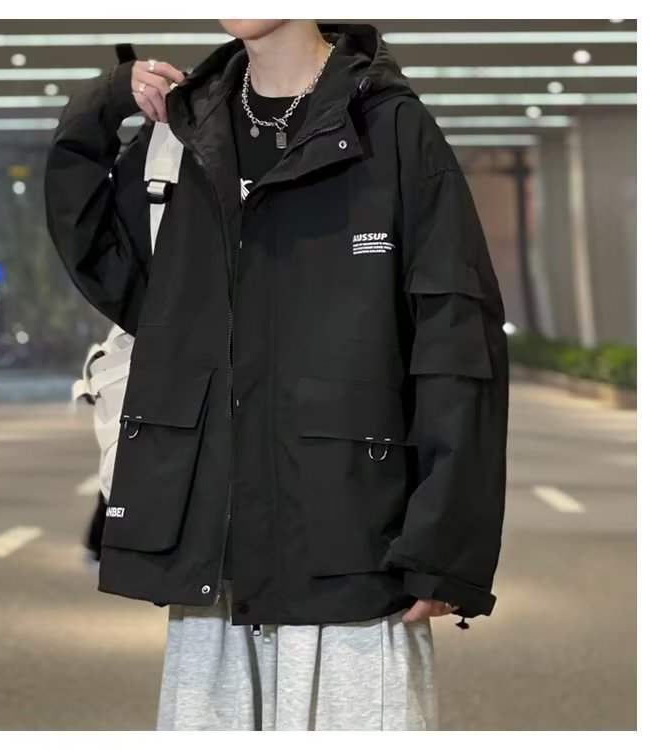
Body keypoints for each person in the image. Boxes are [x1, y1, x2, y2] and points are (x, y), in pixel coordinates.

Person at [45, 20, 508, 731]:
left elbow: (456, 344)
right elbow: (101, 256)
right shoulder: (185, 140)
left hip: (352, 555)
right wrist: (106, 102)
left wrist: (444, 549)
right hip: (216, 565)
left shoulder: (390, 129)